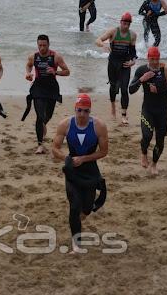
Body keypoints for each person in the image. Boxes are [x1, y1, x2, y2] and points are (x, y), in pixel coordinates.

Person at [52, 93, 108, 253]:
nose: (82, 114)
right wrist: (68, 158)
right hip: (72, 171)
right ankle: (76, 244)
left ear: (90, 111)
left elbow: (104, 151)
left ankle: (80, 218)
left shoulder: (99, 126)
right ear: (75, 109)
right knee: (75, 206)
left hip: (90, 170)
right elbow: (54, 149)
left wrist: (84, 158)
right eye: (79, 110)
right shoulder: (65, 125)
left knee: (87, 208)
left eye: (86, 111)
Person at [129, 46, 167, 175]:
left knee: (160, 140)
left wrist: (161, 89)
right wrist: (142, 79)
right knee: (147, 136)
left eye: (157, 59)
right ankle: (144, 153)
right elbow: (131, 89)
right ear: (148, 58)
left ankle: (154, 164)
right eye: (152, 59)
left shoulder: (166, 70)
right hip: (148, 109)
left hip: (162, 111)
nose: (154, 62)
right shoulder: (142, 70)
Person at [25, 34, 70, 154]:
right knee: (39, 116)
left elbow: (67, 71)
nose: (42, 48)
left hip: (51, 88)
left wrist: (56, 72)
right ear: (37, 45)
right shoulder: (33, 57)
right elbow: (29, 66)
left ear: (48, 45)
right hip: (38, 87)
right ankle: (40, 145)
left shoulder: (56, 57)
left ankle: (43, 124)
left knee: (48, 115)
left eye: (44, 45)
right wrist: (28, 74)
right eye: (40, 45)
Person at [96, 12, 137, 124]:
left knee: (124, 89)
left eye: (128, 24)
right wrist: (103, 45)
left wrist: (133, 62)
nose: (126, 26)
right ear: (120, 22)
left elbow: (133, 52)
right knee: (114, 87)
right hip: (113, 64)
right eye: (124, 23)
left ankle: (124, 115)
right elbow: (98, 40)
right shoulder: (113, 32)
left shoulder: (132, 35)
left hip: (125, 64)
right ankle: (113, 106)